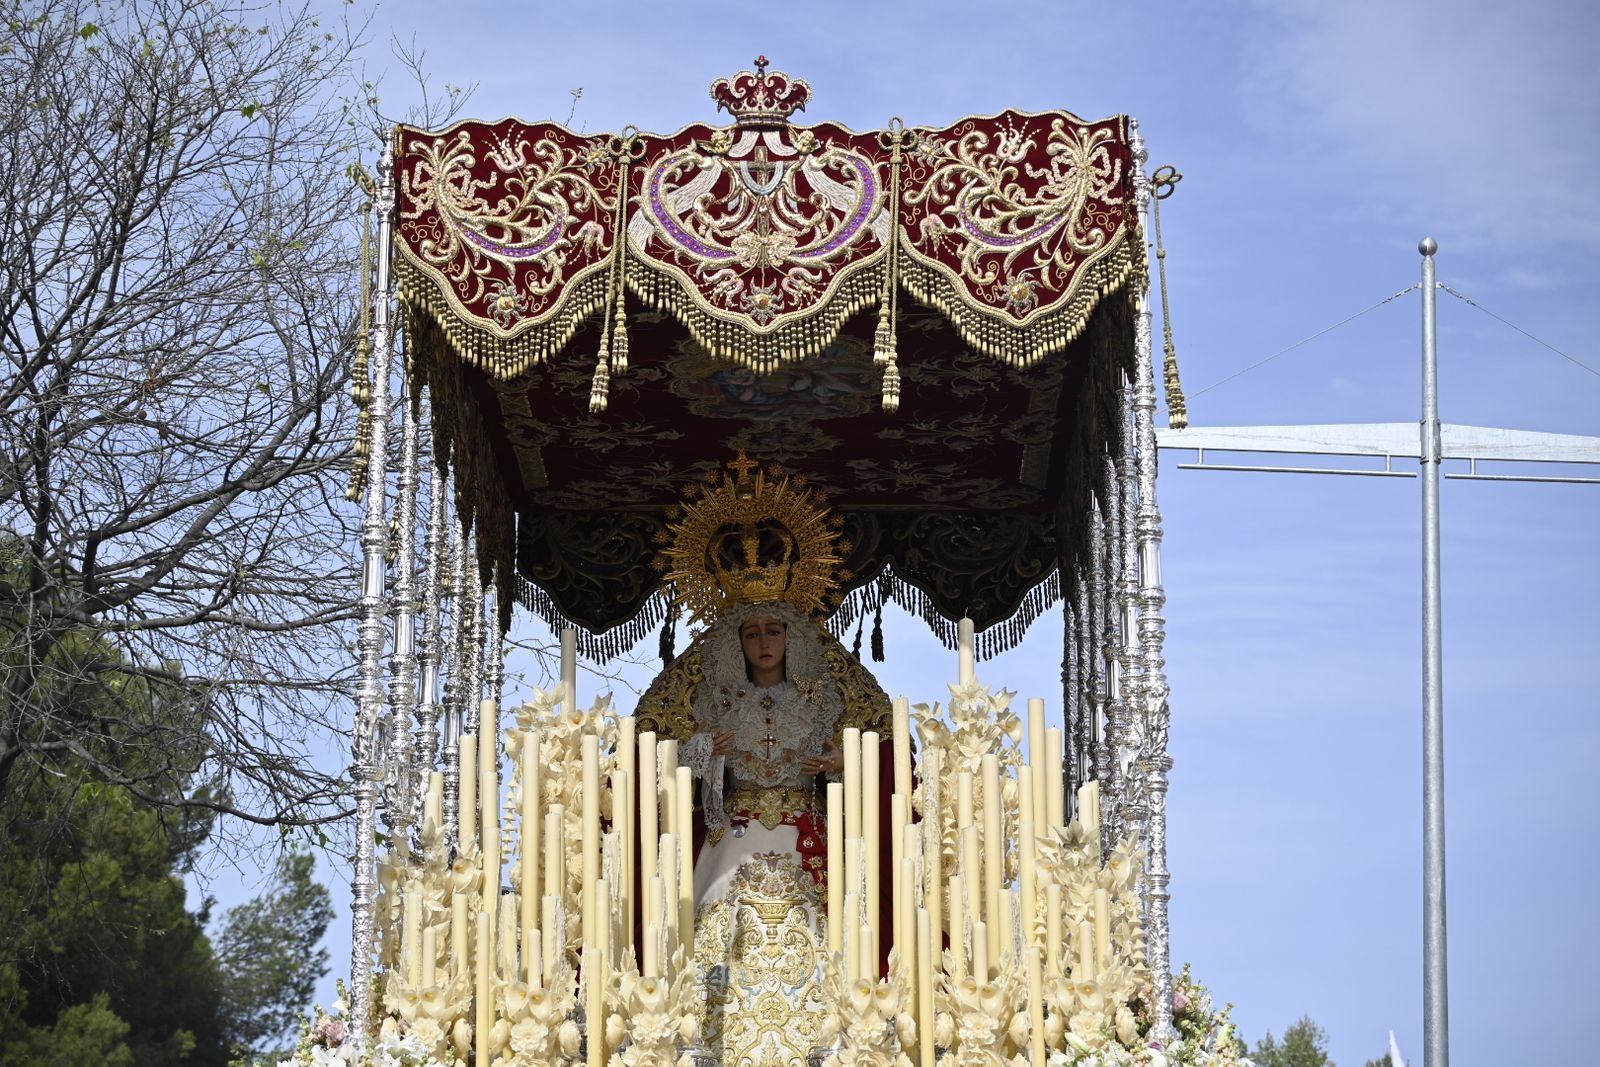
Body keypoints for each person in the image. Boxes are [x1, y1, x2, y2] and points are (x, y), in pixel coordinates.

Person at [634, 455, 893, 1066]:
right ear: (737, 642)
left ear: (791, 636)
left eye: (773, 630)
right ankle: (712, 1040)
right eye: (751, 633)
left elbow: (882, 744)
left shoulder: (825, 696)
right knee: (717, 929)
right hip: (735, 832)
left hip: (809, 833)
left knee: (827, 935)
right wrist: (704, 751)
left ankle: (824, 1041)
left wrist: (840, 762)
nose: (764, 642)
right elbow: (655, 751)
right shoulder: (711, 698)